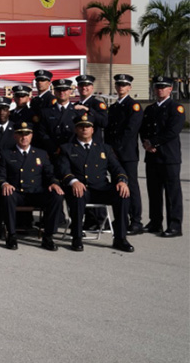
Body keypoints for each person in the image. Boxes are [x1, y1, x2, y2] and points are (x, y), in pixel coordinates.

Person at [56, 113, 133, 252]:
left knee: (122, 194)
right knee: (77, 195)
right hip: (81, 189)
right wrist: (73, 181)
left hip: (101, 189)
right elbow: (63, 169)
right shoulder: (67, 148)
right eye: (81, 127)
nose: (84, 129)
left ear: (93, 130)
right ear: (75, 129)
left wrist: (122, 181)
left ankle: (120, 238)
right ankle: (77, 237)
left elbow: (117, 168)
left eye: (87, 127)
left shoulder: (104, 148)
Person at [0, 121, 64, 251]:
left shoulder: (41, 154)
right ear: (15, 136)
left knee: (57, 196)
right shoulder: (6, 154)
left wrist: (54, 183)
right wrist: (4, 184)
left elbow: (50, 173)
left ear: (31, 135)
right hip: (16, 192)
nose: (24, 137)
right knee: (7, 195)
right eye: (20, 134)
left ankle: (48, 236)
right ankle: (11, 235)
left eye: (27, 134)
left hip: (35, 192)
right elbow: (0, 175)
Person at [140, 75, 185, 237]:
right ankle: (155, 222)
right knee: (154, 191)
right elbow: (143, 129)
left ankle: (174, 225)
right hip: (152, 156)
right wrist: (146, 143)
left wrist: (153, 142)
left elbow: (173, 131)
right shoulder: (150, 109)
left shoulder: (176, 108)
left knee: (172, 192)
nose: (160, 90)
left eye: (163, 87)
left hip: (169, 157)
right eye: (157, 87)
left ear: (170, 89)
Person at [105, 74, 144, 234]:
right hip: (113, 154)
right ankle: (120, 218)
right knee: (117, 186)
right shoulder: (113, 108)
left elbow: (130, 131)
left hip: (127, 154)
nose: (121, 87)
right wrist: (108, 150)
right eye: (118, 85)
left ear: (129, 87)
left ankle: (136, 221)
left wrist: (116, 148)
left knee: (131, 186)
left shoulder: (133, 106)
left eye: (124, 85)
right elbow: (108, 131)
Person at [34, 78, 80, 155]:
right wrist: (53, 148)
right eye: (58, 90)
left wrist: (68, 148)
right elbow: (42, 133)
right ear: (54, 92)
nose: (62, 92)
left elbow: (80, 134)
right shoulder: (46, 112)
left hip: (72, 152)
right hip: (52, 152)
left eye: (64, 90)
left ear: (70, 91)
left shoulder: (77, 112)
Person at [74, 74, 108, 142]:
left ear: (92, 87)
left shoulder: (98, 104)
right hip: (77, 143)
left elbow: (104, 122)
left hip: (94, 143)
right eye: (81, 85)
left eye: (87, 85)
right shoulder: (76, 105)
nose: (84, 88)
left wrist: (88, 110)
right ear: (78, 88)